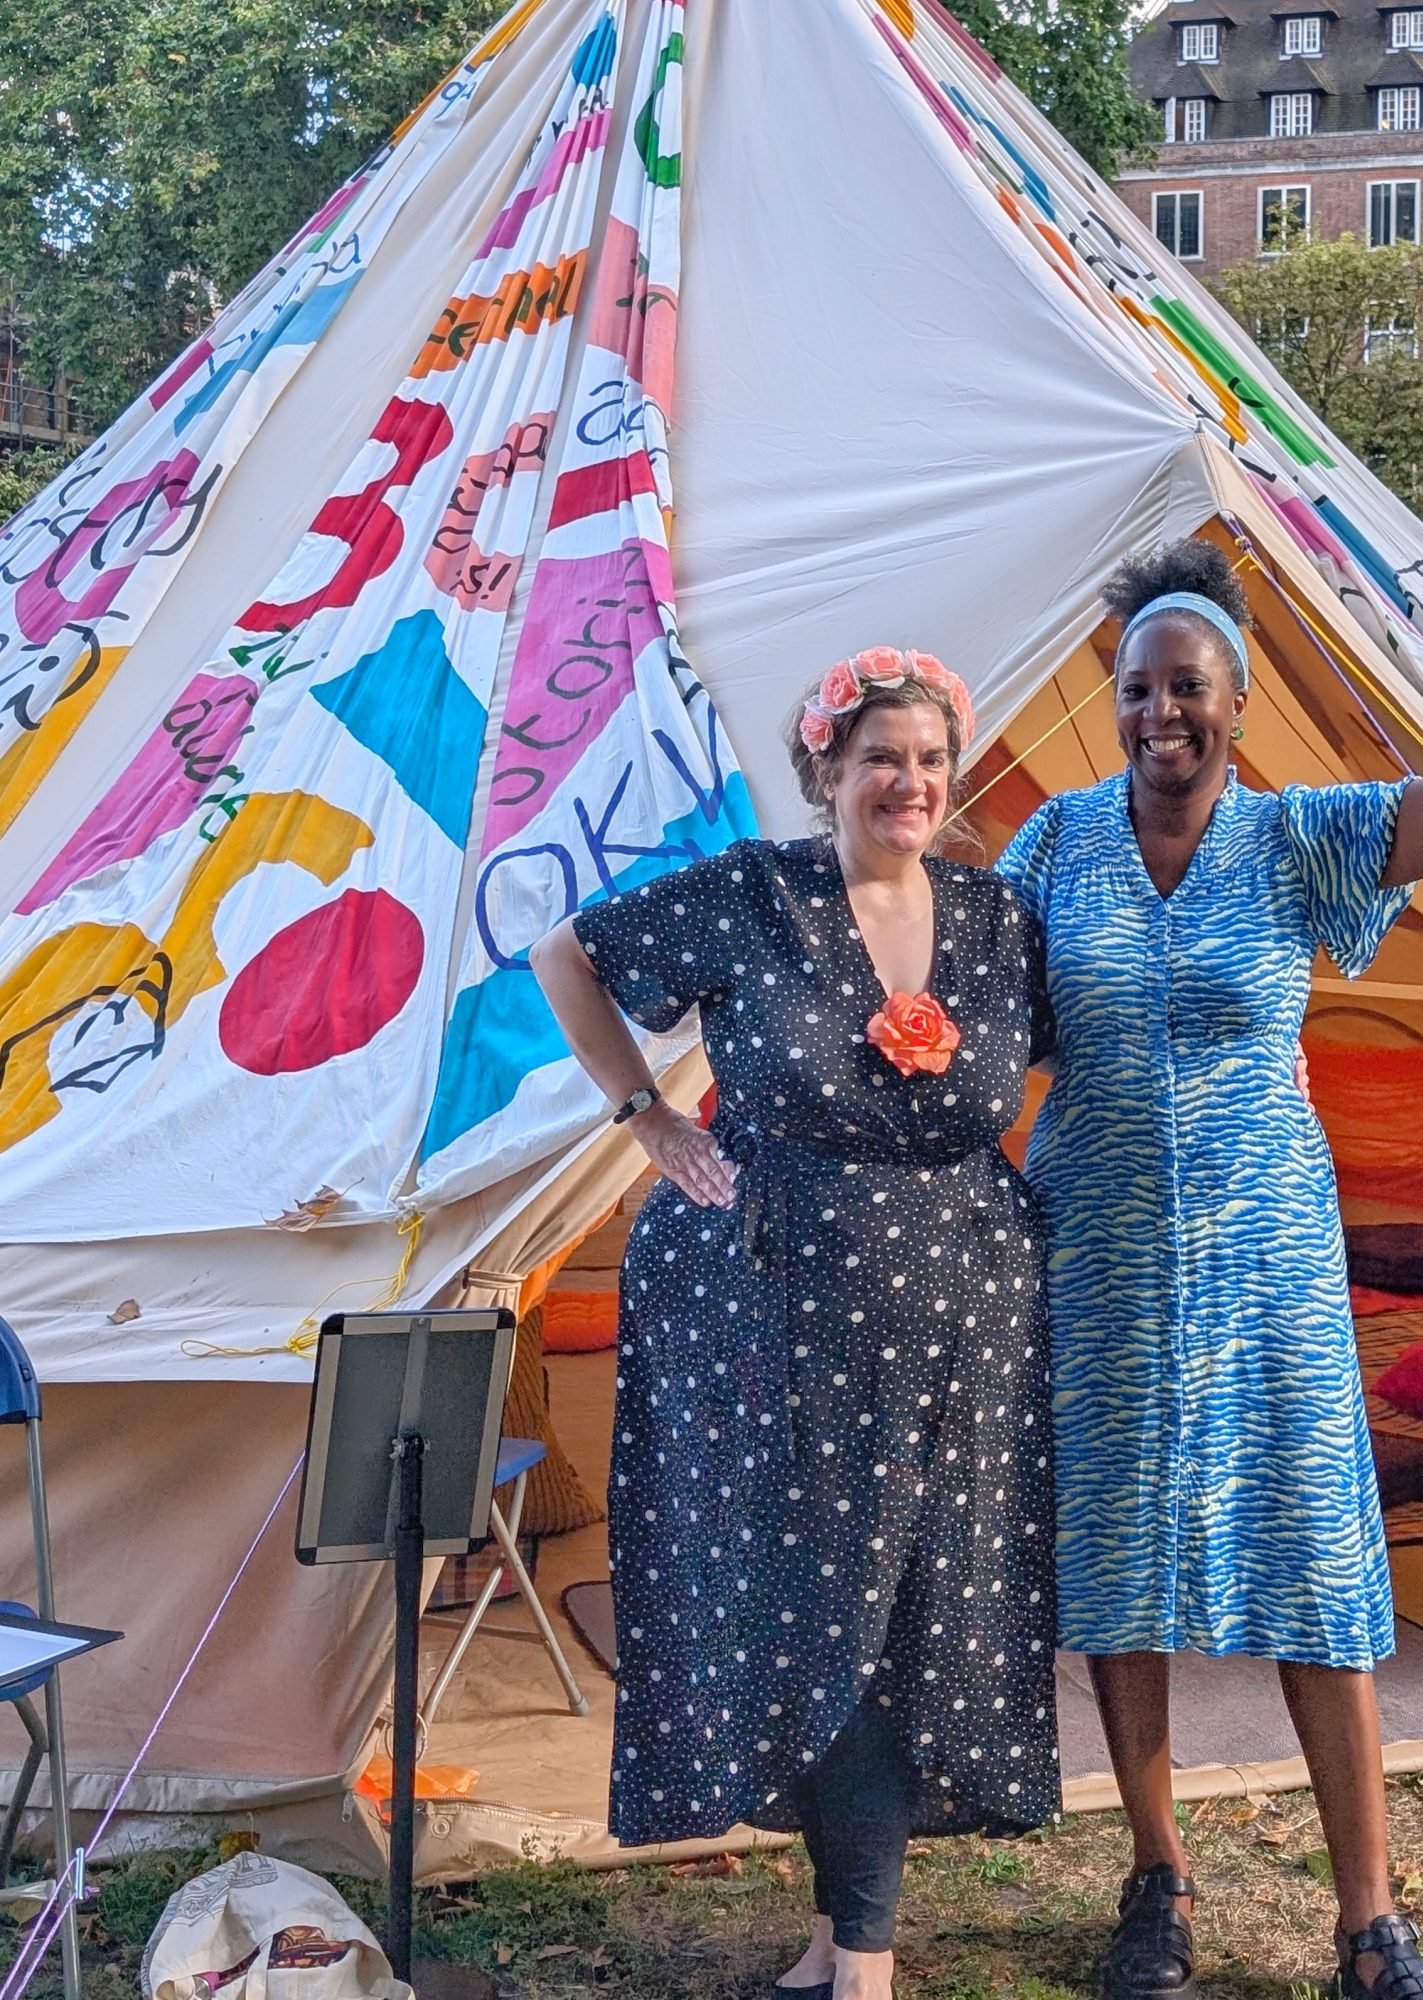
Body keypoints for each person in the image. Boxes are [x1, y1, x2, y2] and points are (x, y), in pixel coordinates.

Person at [997, 512, 1423, 2000]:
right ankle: (1156, 1875)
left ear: (1236, 700)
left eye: (1190, 686)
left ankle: (1370, 1919)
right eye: (1140, 686)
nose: (1163, 710)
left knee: (1317, 1560)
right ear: (1119, 698)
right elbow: (964, 1005)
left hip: (1265, 1260)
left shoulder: (1300, 837)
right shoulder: (1051, 844)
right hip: (1095, 1252)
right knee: (1119, 1570)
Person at [532, 647, 1059, 2000]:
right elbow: (564, 955)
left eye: (932, 760)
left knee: (912, 1620)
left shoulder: (1000, 917)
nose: (911, 782)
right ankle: (861, 1953)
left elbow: (1095, 1040)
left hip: (961, 1329)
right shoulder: (754, 895)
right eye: (882, 756)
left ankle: (850, 1943)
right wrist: (640, 1112)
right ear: (824, 768)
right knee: (812, 1616)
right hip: (773, 1321)